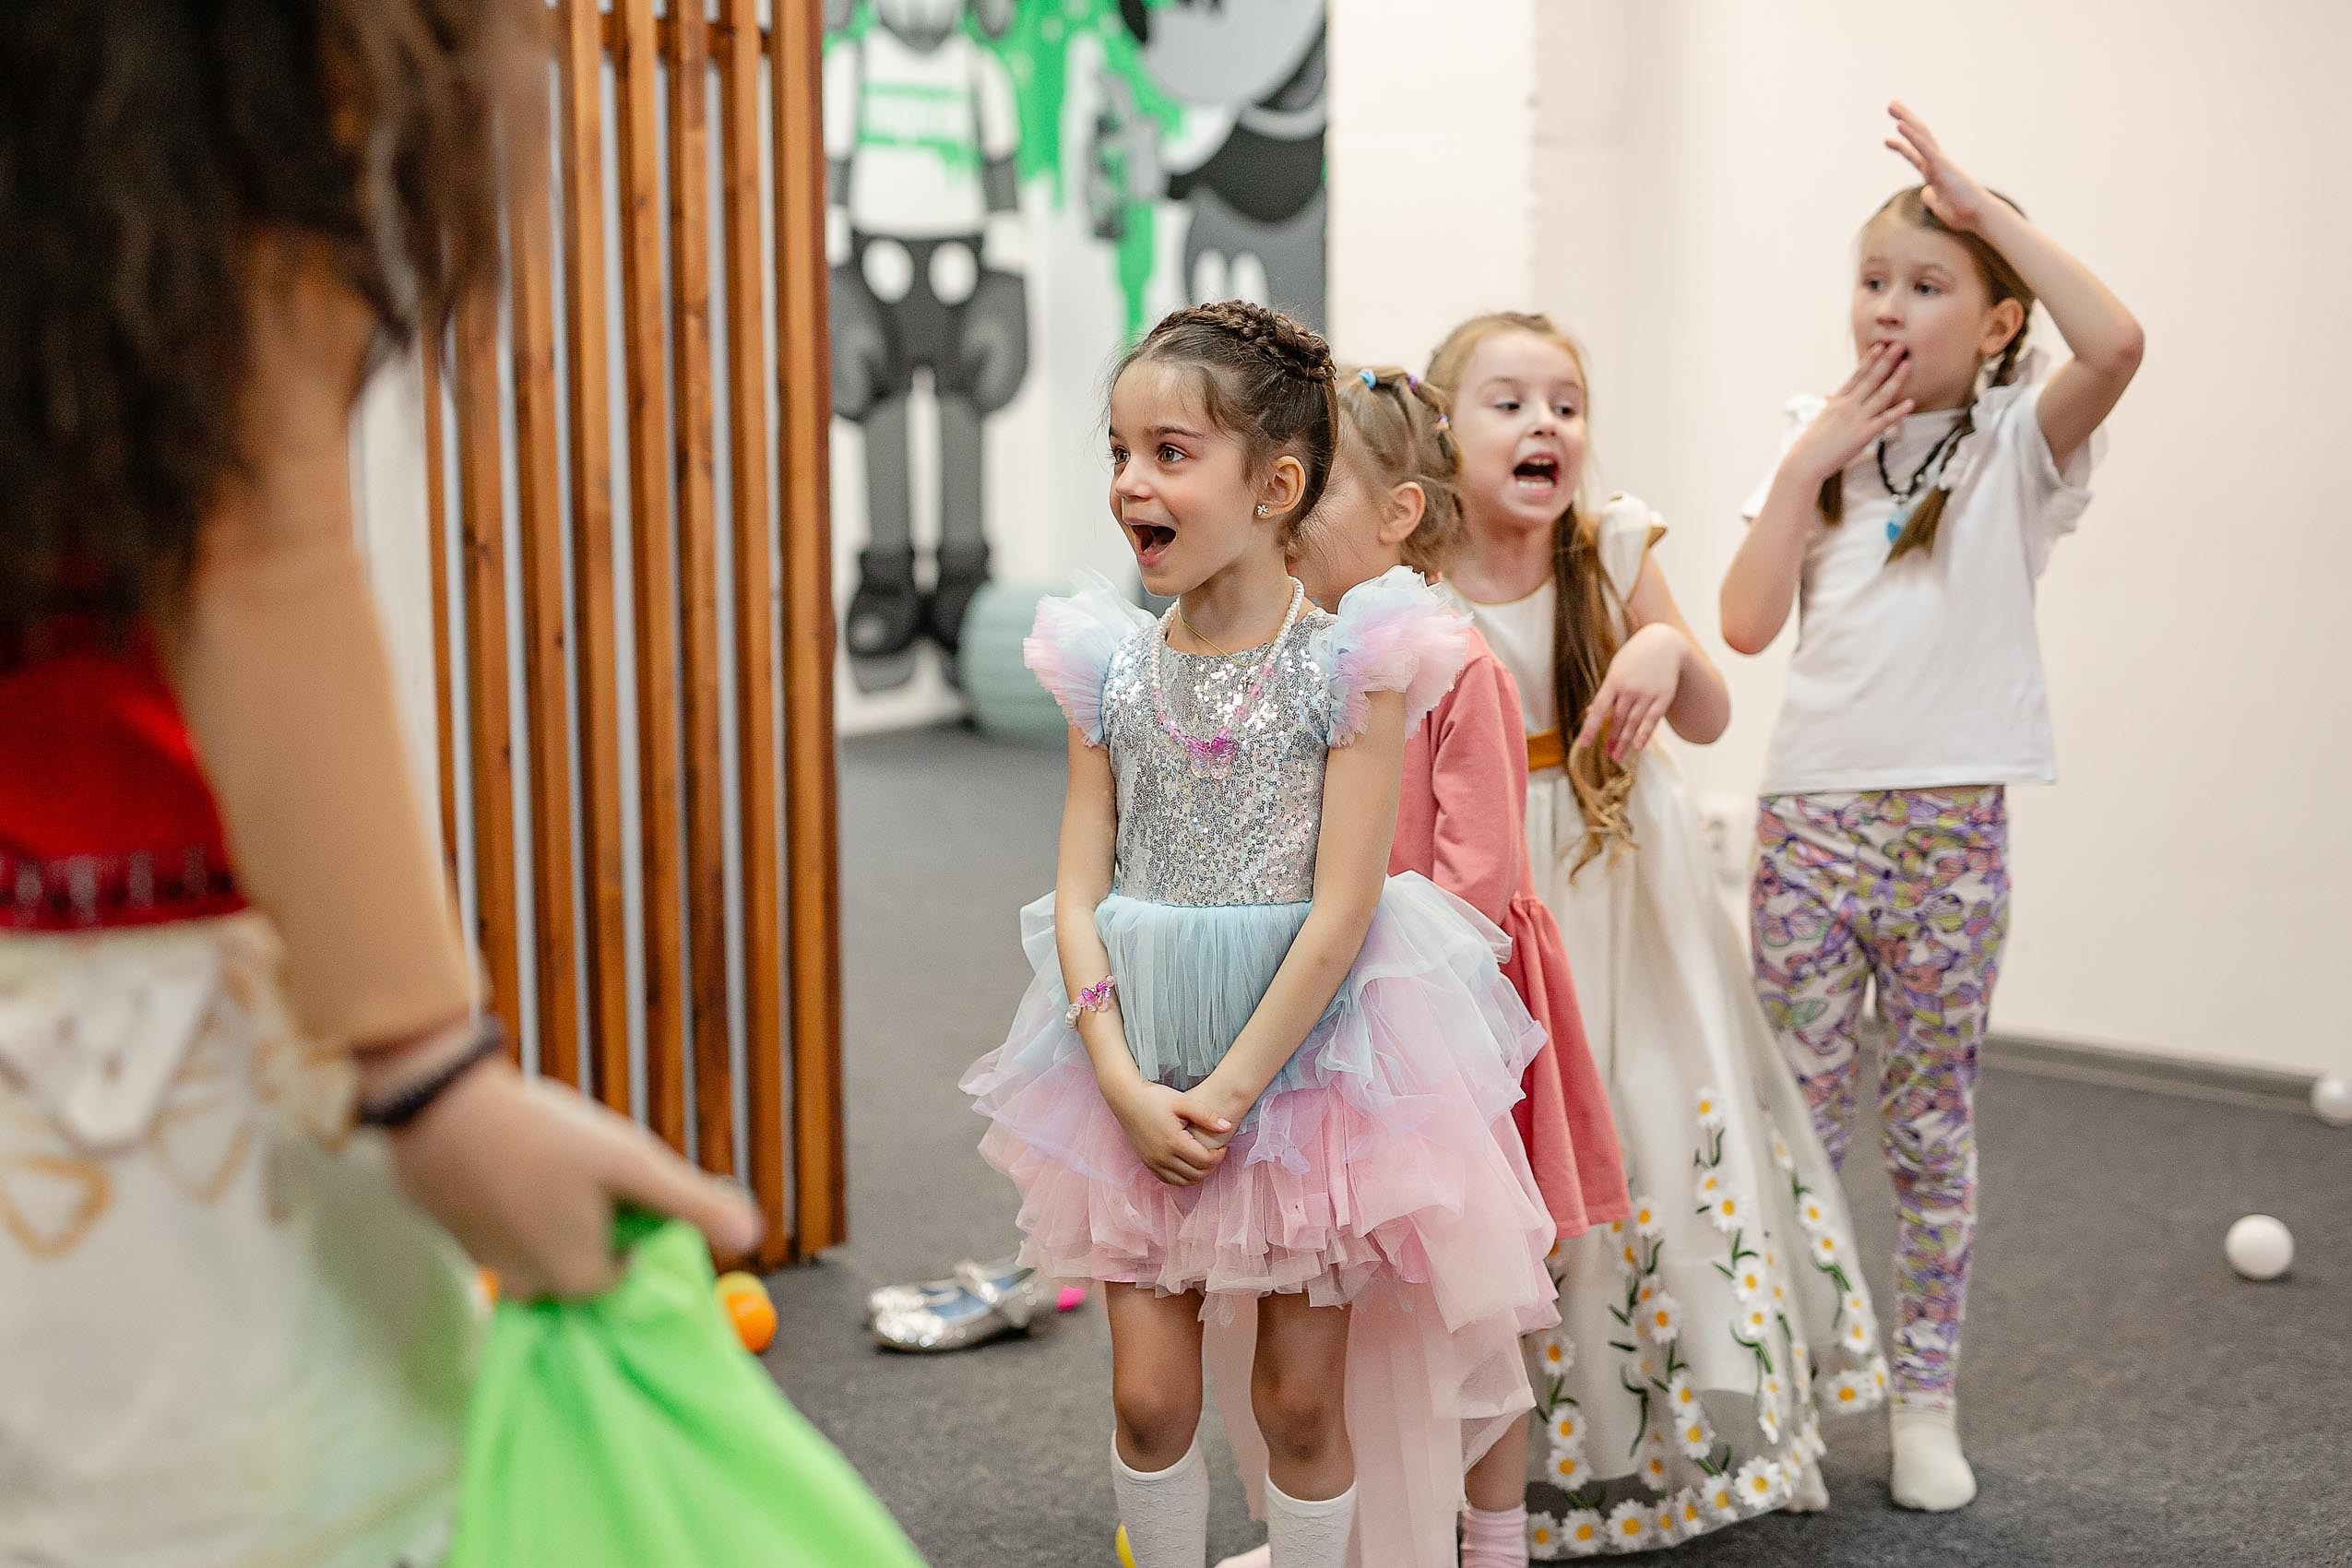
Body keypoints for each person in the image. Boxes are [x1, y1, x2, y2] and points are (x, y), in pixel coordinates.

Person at [964, 303, 1556, 1567]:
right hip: (1134, 1054)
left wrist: (1231, 1093)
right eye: (1120, 452)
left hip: (1300, 1073)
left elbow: (1344, 912)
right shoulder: (1107, 668)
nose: (1132, 481)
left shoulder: (1351, 667)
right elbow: (1074, 894)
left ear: (1274, 487)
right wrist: (1121, 1082)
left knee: (1296, 1404)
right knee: (1147, 1397)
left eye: (1170, 453)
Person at [1721, 102, 2144, 1513]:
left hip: (1948, 839)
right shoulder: (1814, 441)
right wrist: (1805, 464)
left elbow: (2118, 344)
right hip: (1809, 830)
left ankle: (1921, 1400)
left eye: (1926, 283)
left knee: (1926, 1129)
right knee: (1798, 1129)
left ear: (1998, 321)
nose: (1886, 308)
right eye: (1872, 281)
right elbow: (1742, 622)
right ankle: (1787, 1406)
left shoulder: (2017, 441)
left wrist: (1981, 208)